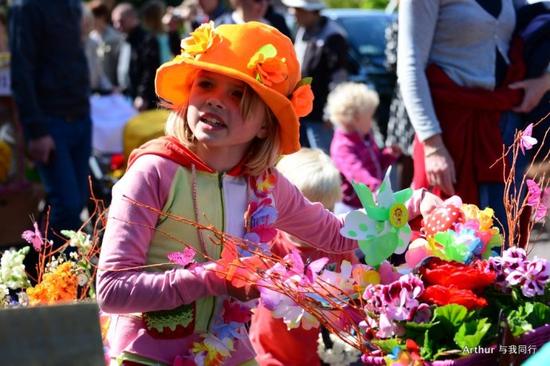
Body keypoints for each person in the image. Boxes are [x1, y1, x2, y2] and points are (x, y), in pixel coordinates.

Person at [97, 21, 438, 366]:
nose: (215, 100)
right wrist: (214, 278)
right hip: (146, 356)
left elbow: (338, 235)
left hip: (229, 351)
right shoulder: (154, 171)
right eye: (206, 84)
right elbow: (111, 290)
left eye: (238, 94)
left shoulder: (265, 184)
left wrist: (409, 206)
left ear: (265, 123)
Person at [397, 0, 550, 232]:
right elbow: (410, 66)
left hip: (503, 125)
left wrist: (544, 81)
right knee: (450, 240)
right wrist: (433, 146)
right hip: (448, 131)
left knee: (504, 236)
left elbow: (540, 21)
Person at [249, 147, 356, 366]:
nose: (315, 224)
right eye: (305, 215)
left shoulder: (337, 248)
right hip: (268, 354)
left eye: (326, 211)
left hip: (318, 356)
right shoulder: (267, 242)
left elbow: (355, 292)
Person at [9, 0, 91, 236]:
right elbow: (21, 73)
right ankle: (52, 270)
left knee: (78, 201)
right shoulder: (26, 8)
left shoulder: (72, 5)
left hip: (79, 117)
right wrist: (36, 131)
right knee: (67, 205)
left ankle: (60, 267)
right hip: (51, 123)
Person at [281, 0, 349, 154]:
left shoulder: (333, 37)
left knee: (323, 156)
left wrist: (330, 112)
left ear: (311, 12)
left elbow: (338, 79)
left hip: (320, 116)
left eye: (298, 10)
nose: (293, 13)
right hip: (302, 112)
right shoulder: (302, 31)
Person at [328, 82, 401, 214]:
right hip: (352, 208)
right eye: (370, 117)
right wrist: (374, 187)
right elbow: (357, 172)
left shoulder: (364, 136)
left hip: (369, 199)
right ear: (356, 119)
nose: (372, 121)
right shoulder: (342, 147)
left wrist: (388, 155)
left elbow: (375, 162)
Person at [89, 0, 124, 91]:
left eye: (93, 17)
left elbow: (120, 64)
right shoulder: (91, 37)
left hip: (113, 87)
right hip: (96, 87)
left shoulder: (115, 37)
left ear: (102, 17)